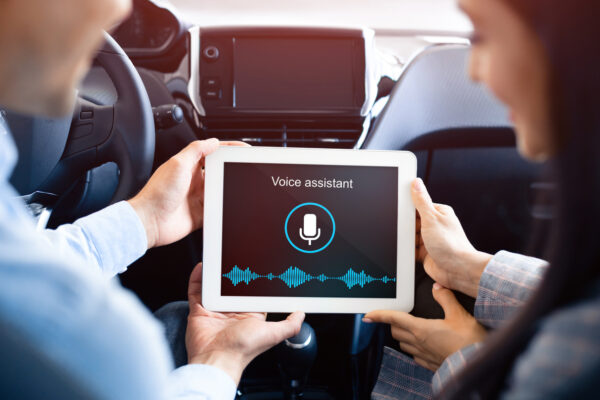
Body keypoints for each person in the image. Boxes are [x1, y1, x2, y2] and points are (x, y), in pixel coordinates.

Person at [0, 0, 304, 398]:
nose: (121, 9)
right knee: (179, 322)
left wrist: (144, 219)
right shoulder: (107, 349)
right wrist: (221, 363)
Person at [364, 0, 600, 398]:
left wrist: (462, 358)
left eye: (483, 35)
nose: (473, 71)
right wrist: (469, 268)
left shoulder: (575, 351)